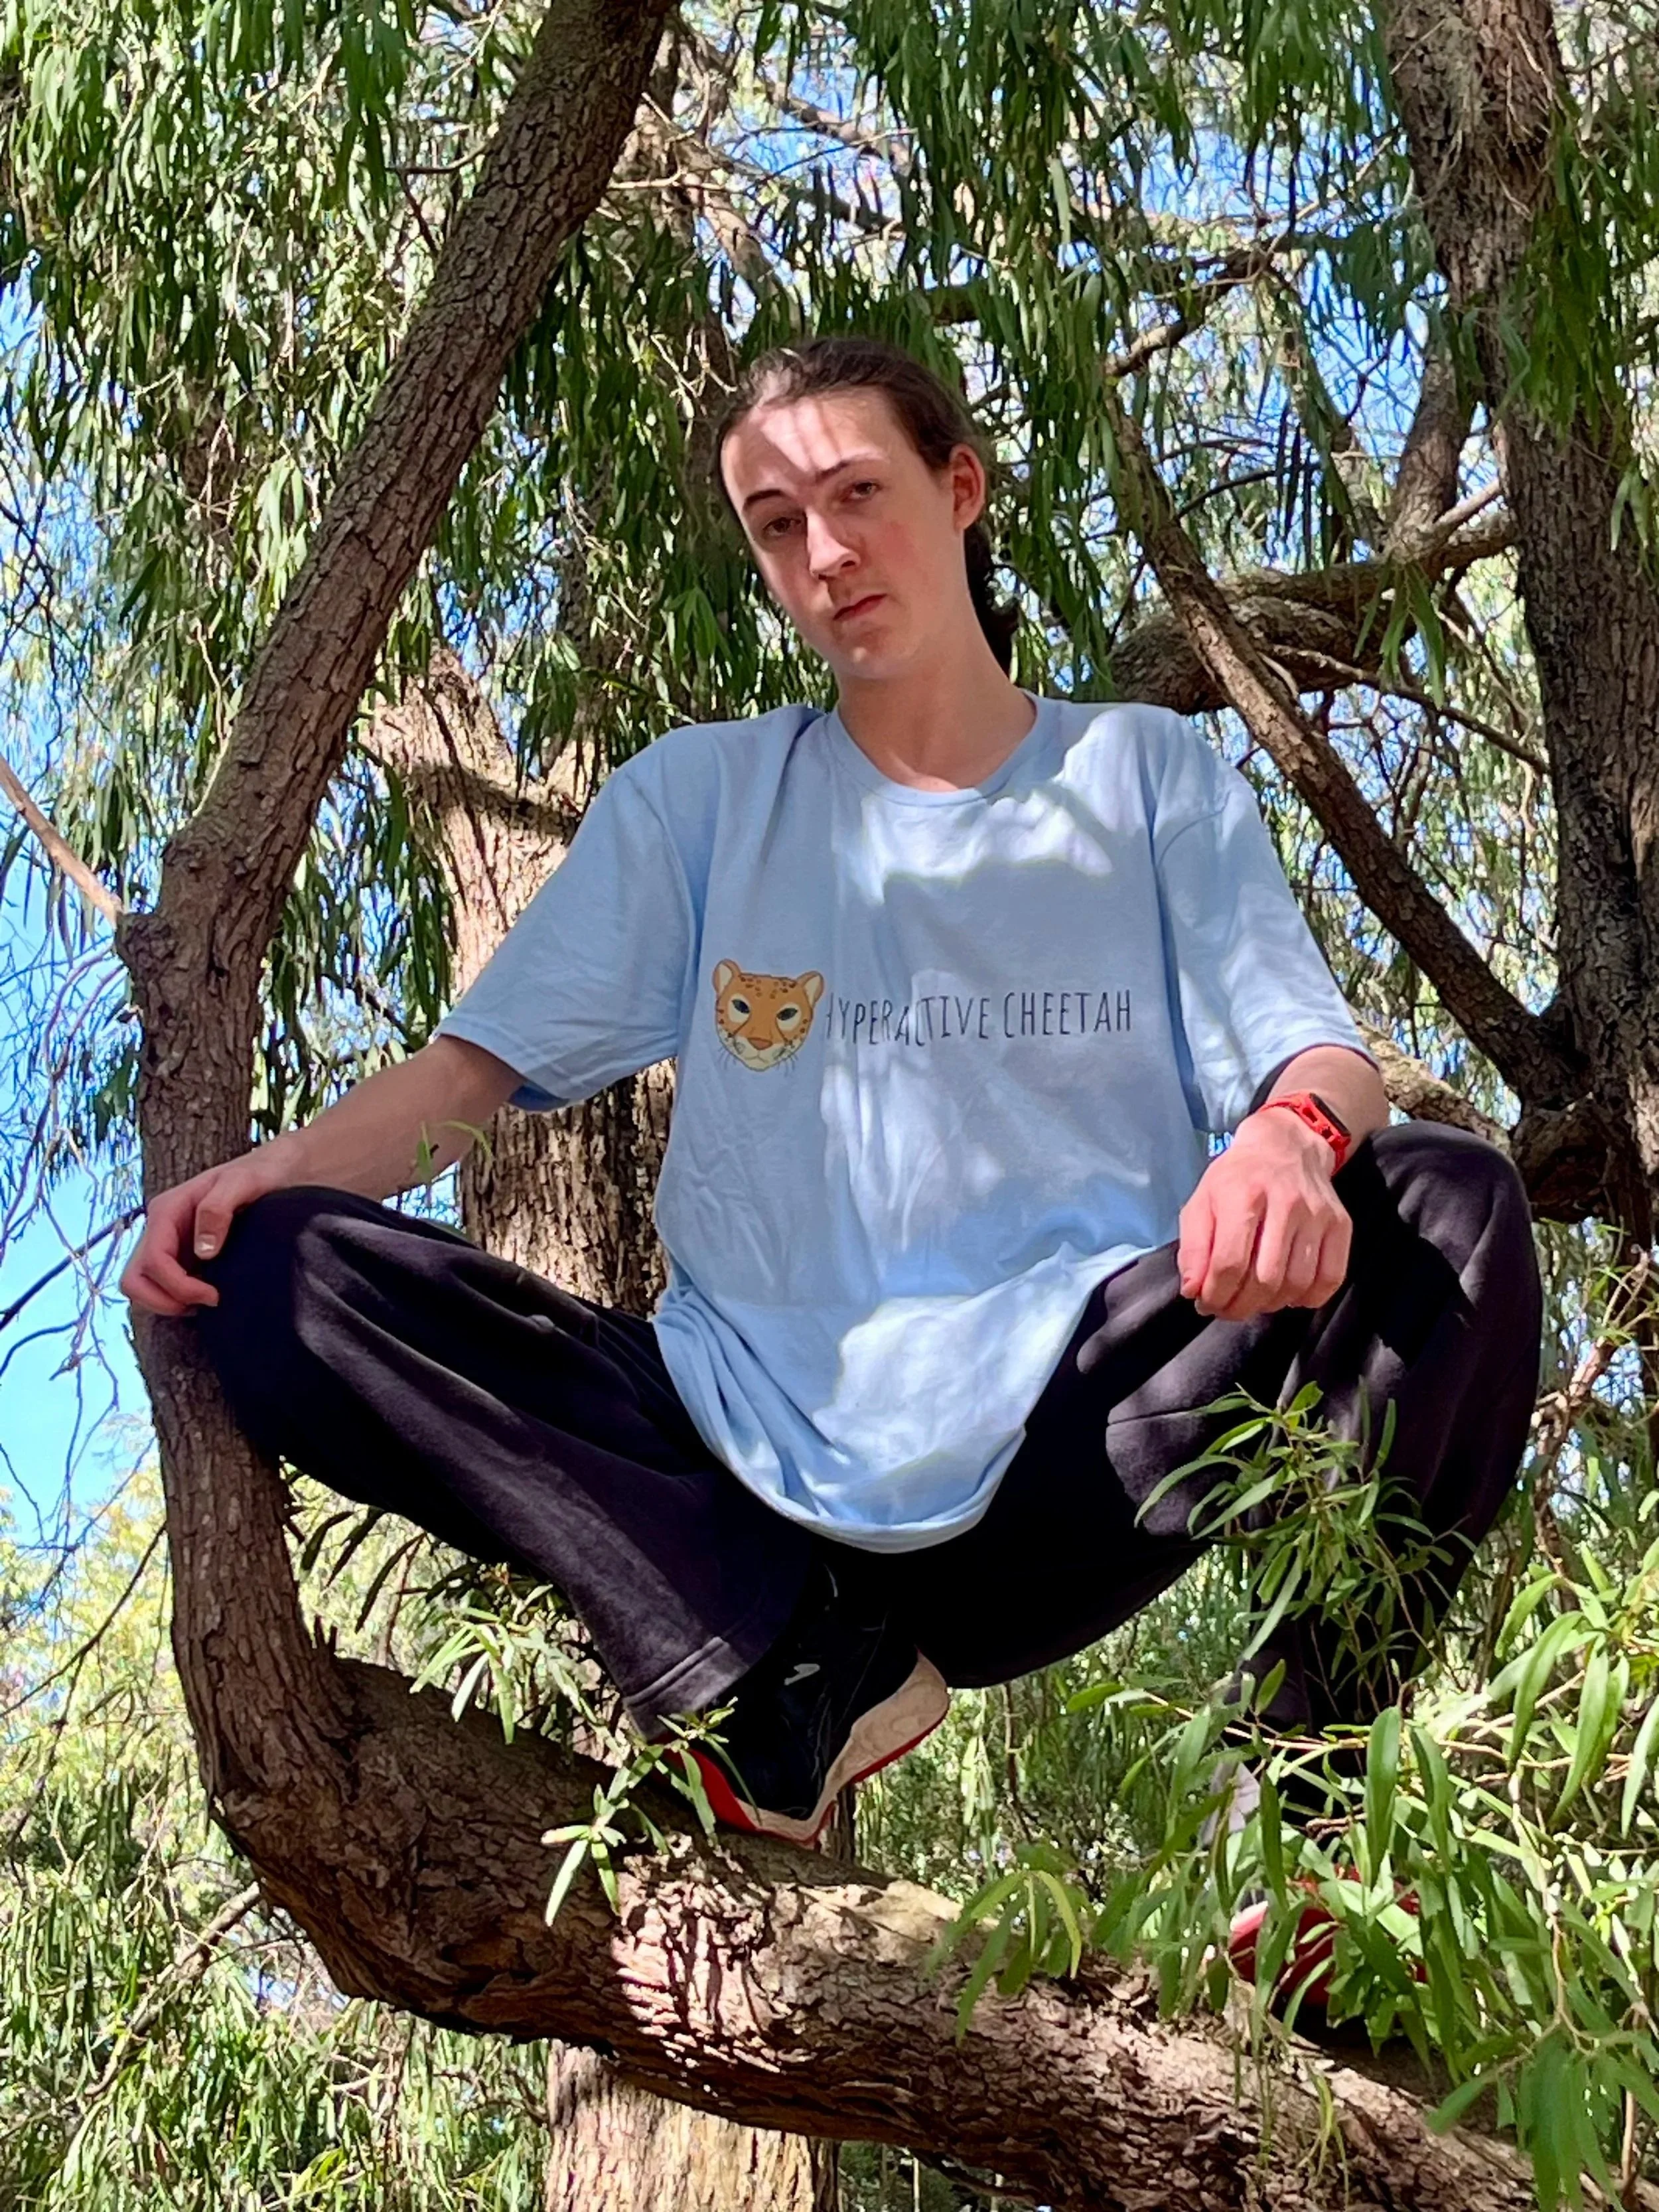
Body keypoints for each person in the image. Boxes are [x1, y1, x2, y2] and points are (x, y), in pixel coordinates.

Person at [121, 334, 1544, 1854]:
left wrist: (1282, 1136)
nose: (824, 550)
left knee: (1449, 1208)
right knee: (259, 1278)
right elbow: (472, 1077)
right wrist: (261, 1178)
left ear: (960, 489)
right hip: (729, 1471)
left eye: (856, 492)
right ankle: (795, 1671)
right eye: (774, 523)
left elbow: (1318, 1060)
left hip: (1069, 1446)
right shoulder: (705, 798)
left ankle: (1307, 1823)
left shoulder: (1146, 780)